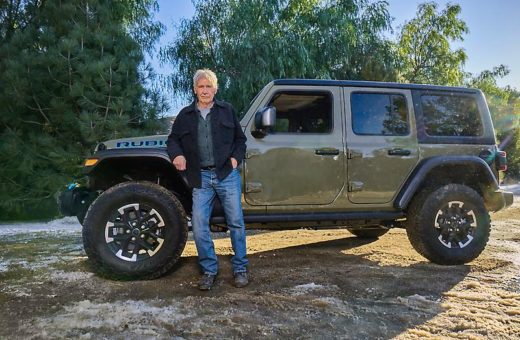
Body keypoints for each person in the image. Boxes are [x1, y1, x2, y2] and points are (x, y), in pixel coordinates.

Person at [166, 69, 249, 290]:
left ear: (215, 88)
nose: (205, 90)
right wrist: (178, 155)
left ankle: (240, 269)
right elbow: (172, 140)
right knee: (200, 225)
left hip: (226, 174)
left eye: (208, 86)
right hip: (200, 177)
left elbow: (241, 141)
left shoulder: (226, 111)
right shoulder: (185, 115)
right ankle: (209, 271)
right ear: (195, 89)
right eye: (201, 87)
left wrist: (234, 160)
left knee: (236, 223)